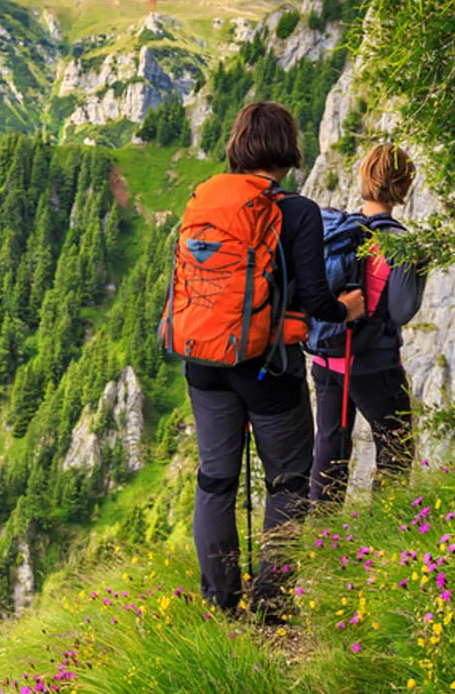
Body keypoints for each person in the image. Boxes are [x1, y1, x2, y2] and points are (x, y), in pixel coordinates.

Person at [183, 102, 365, 622]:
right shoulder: (297, 211)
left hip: (204, 360)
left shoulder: (208, 199)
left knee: (215, 479)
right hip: (268, 365)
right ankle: (271, 603)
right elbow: (316, 300)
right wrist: (347, 308)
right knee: (286, 481)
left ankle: (220, 602)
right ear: (287, 148)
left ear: (240, 143)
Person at [309, 145, 428, 505]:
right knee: (395, 446)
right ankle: (383, 533)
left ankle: (321, 538)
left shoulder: (338, 230)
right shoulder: (401, 243)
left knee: (330, 446)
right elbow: (402, 311)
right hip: (373, 362)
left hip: (327, 357)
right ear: (403, 186)